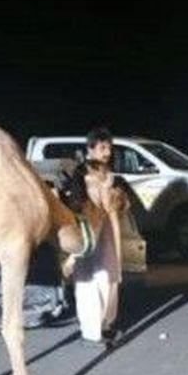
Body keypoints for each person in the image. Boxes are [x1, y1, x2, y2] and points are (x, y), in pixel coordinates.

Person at [62, 127, 128, 346]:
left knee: (110, 278)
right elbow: (76, 203)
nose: (107, 152)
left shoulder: (111, 174)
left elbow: (124, 203)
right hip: (89, 230)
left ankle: (106, 324)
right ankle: (92, 331)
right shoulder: (81, 173)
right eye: (102, 148)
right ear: (90, 149)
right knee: (89, 280)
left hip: (110, 230)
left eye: (109, 147)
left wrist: (116, 196)